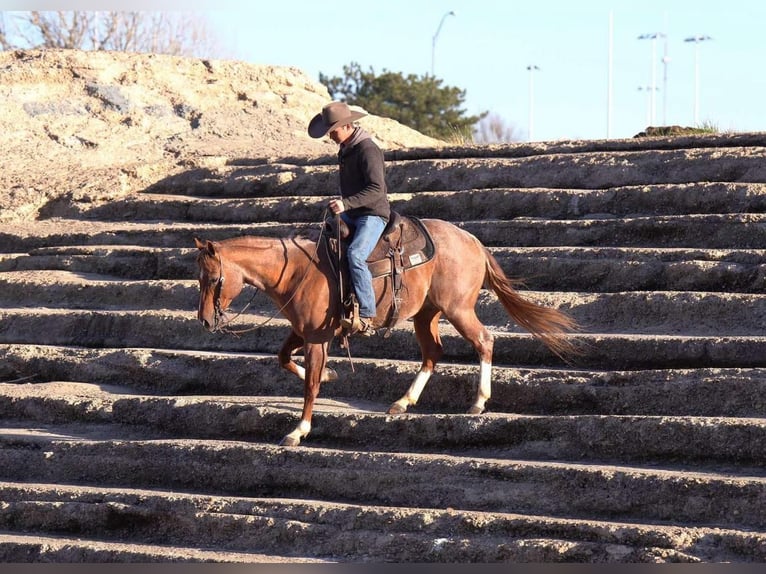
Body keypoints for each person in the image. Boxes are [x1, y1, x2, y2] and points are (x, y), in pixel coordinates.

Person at [308, 101, 391, 336]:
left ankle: (366, 314)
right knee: (319, 241)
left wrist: (346, 203)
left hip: (372, 215)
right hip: (353, 213)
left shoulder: (367, 149)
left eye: (333, 130)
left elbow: (377, 189)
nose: (330, 135)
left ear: (347, 126)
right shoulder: (345, 148)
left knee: (355, 255)